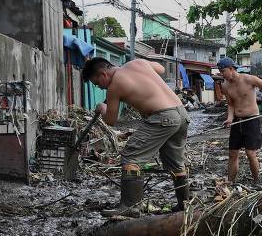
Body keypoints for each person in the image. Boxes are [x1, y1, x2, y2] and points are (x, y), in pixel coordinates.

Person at [82, 57, 191, 217]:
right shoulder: (137, 63)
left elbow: (110, 121)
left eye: (97, 84)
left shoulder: (114, 87)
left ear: (104, 74)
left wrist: (102, 107)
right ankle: (184, 205)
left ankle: (130, 207)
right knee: (176, 164)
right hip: (181, 113)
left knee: (131, 157)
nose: (99, 87)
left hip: (162, 117)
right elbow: (160, 68)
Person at [217, 57, 262, 184]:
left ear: (231, 69)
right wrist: (229, 119)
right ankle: (230, 182)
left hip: (251, 120)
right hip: (237, 121)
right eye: (220, 71)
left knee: (250, 153)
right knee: (232, 153)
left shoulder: (248, 79)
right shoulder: (225, 86)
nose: (221, 74)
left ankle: (257, 181)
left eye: (223, 71)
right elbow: (230, 104)